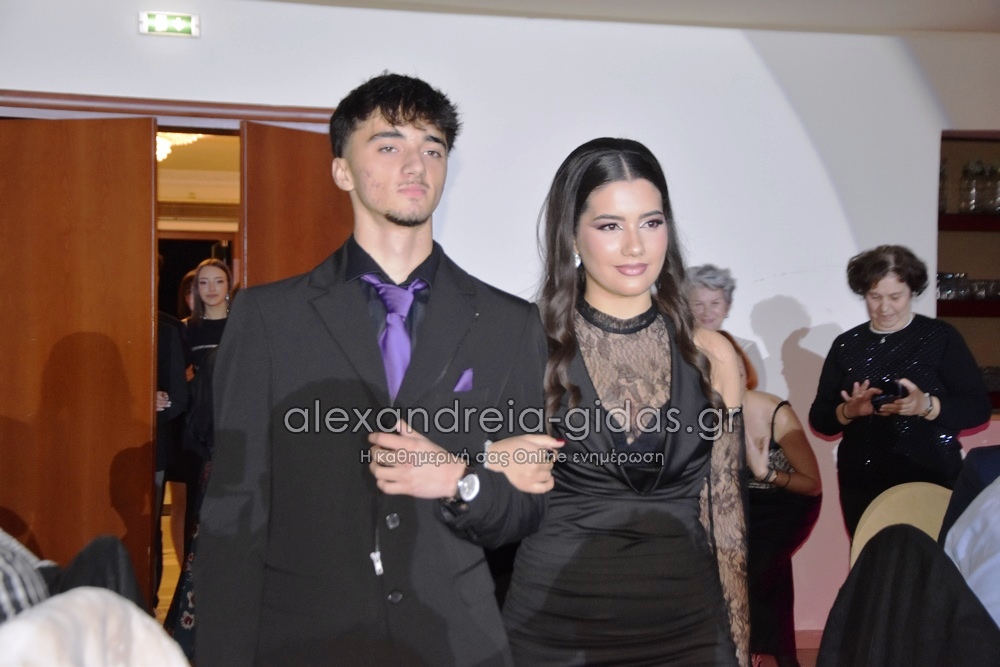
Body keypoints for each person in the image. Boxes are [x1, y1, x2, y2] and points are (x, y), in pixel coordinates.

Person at [194, 73, 557, 666]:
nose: (415, 164)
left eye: (432, 148)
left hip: (454, 640)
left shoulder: (508, 323)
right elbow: (235, 510)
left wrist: (458, 479)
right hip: (306, 638)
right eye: (389, 145)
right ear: (342, 171)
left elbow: (526, 505)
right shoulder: (268, 318)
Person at [500, 138, 749, 666]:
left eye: (651, 222)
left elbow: (726, 519)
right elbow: (493, 502)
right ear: (572, 234)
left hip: (690, 627)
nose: (636, 246)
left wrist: (738, 645)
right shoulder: (525, 345)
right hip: (555, 628)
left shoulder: (713, 355)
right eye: (611, 225)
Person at [808, 244, 991, 538]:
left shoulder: (939, 337)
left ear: (912, 292)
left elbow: (977, 409)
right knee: (871, 561)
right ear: (863, 293)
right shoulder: (847, 344)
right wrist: (848, 411)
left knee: (929, 561)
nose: (884, 307)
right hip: (862, 480)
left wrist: (926, 406)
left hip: (931, 475)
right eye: (875, 297)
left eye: (895, 297)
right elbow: (820, 418)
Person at [720, 330, 821, 667]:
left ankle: (751, 649)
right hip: (740, 506)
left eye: (735, 367)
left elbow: (812, 484)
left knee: (757, 562)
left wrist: (766, 474)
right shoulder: (702, 416)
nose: (731, 377)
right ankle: (780, 655)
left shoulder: (773, 410)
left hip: (787, 502)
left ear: (743, 367)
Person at [687, 263, 765, 388]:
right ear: (686, 307)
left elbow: (756, 393)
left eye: (715, 303)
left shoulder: (746, 349)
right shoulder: (675, 347)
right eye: (698, 304)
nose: (707, 312)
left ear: (727, 307)